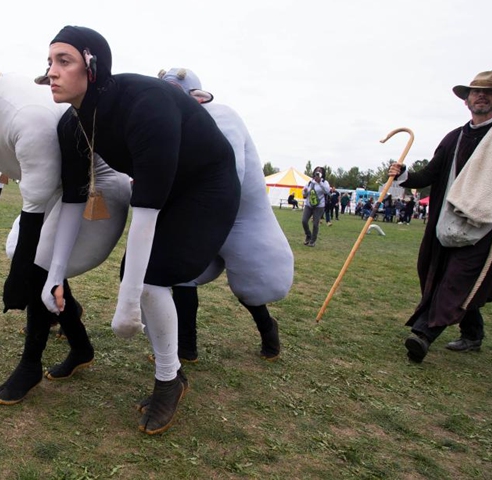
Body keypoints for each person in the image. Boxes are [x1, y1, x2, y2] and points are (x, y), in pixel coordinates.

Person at [38, 26, 240, 435]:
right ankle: (172, 372)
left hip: (206, 186)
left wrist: (127, 304)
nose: (51, 72)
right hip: (165, 191)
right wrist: (54, 275)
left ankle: (170, 378)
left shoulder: (143, 103)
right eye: (50, 62)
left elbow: (144, 213)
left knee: (149, 278)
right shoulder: (72, 124)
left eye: (64, 61)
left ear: (92, 67)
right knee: (142, 275)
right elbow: (75, 202)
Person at [0, 37, 131, 405]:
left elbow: (36, 204)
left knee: (37, 267)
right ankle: (81, 346)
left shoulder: (21, 111)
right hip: (57, 194)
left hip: (94, 190)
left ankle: (30, 365)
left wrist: (18, 279)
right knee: (26, 258)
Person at [388, 70, 492, 363]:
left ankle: (424, 334)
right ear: (467, 100)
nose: (481, 96)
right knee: (439, 275)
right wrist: (405, 175)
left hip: (487, 223)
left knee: (458, 279)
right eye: (476, 92)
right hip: (447, 220)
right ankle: (473, 333)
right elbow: (431, 174)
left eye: (489, 92)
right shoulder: (454, 138)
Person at [157, 67, 292, 363]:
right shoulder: (174, 126)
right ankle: (186, 347)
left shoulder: (221, 116)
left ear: (198, 98)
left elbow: (231, 175)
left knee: (251, 288)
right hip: (201, 217)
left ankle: (268, 328)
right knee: (182, 276)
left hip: (238, 219)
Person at [302, 167, 331, 247]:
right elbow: (305, 194)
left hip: (319, 206)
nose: (318, 172)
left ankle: (312, 241)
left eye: (320, 171)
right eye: (316, 171)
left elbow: (327, 191)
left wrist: (320, 182)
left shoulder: (324, 182)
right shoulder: (310, 182)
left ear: (322, 173)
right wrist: (304, 192)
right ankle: (308, 235)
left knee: (315, 224)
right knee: (304, 221)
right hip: (309, 205)